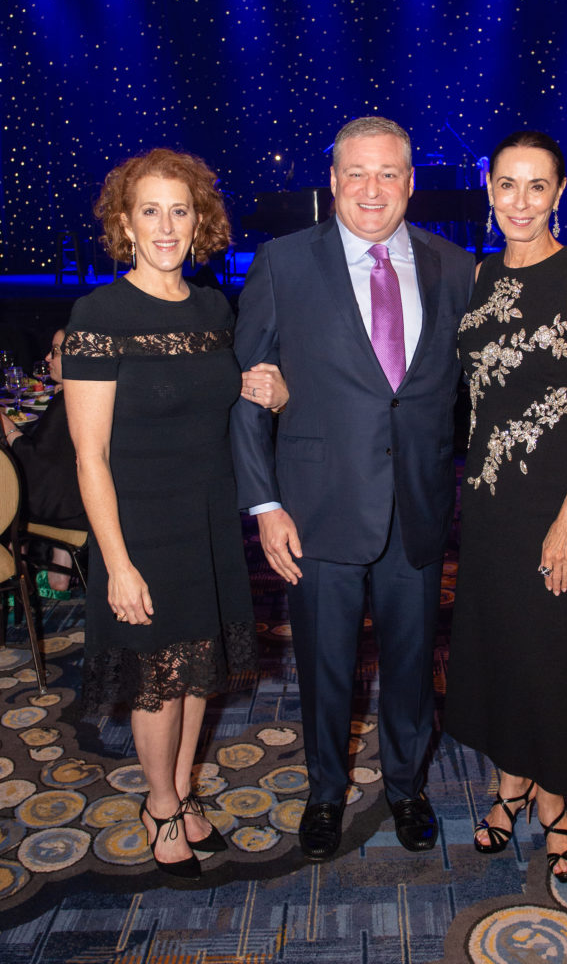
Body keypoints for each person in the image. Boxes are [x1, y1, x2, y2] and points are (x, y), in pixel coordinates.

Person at [231, 116, 475, 860]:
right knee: (326, 668)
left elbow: (473, 391)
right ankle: (326, 793)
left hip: (420, 509)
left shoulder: (455, 267)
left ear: (410, 182)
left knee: (410, 668)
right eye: (357, 174)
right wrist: (266, 505)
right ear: (334, 181)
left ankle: (406, 787)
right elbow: (249, 393)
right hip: (317, 509)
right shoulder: (281, 262)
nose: (373, 190)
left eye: (389, 174)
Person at [62, 148, 286, 881]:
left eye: (180, 210)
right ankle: (160, 804)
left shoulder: (215, 309)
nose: (166, 226)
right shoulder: (98, 315)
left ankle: (184, 791)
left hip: (210, 516)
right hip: (143, 529)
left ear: (201, 223)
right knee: (158, 678)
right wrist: (117, 564)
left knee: (197, 673)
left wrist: (267, 390)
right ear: (125, 223)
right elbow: (89, 458)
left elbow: (228, 407)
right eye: (150, 211)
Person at [444, 130, 567, 882]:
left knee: (554, 648)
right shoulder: (478, 277)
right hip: (487, 501)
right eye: (507, 185)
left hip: (557, 500)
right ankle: (510, 779)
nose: (521, 201)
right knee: (500, 643)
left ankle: (554, 801)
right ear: (490, 192)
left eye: (537, 186)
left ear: (560, 194)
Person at [1, 329, 86, 595]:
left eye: (56, 351)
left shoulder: (68, 400)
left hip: (65, 507)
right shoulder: (88, 394)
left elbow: (34, 460)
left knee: (11, 489)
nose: (48, 357)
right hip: (84, 505)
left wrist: (5, 425)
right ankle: (57, 577)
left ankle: (16, 579)